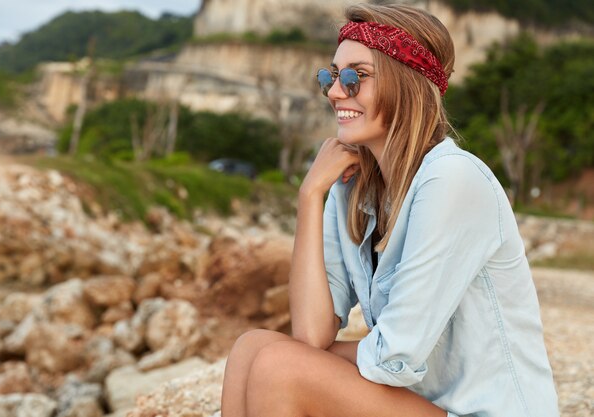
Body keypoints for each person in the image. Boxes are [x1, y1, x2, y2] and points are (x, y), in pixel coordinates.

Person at [220, 3, 559, 417]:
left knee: (276, 365)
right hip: (420, 405)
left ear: (406, 83)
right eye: (330, 76)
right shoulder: (353, 187)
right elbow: (311, 333)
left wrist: (293, 365)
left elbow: (394, 358)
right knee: (251, 348)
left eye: (355, 77)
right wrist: (310, 196)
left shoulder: (452, 179)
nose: (333, 91)